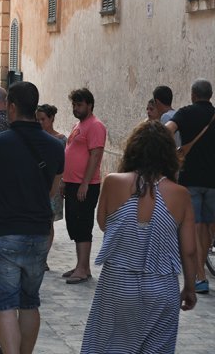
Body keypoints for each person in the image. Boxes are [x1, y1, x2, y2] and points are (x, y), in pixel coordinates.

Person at [0, 82, 64, 354]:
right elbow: (52, 190)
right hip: (40, 232)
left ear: (13, 106)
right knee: (30, 301)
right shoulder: (55, 146)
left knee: (6, 304)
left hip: (6, 231)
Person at [80, 121, 197, 353]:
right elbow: (190, 250)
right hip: (162, 287)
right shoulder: (180, 195)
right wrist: (190, 288)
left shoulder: (113, 182)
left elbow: (104, 224)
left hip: (117, 283)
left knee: (110, 345)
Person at [165, 78, 215, 294]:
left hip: (191, 178)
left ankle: (200, 276)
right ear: (210, 95)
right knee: (206, 227)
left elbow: (167, 129)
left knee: (195, 225)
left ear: (193, 95)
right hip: (213, 181)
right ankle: (199, 276)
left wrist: (171, 152)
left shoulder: (185, 113)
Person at [61, 88, 107, 284]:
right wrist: (64, 180)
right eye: (74, 105)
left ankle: (82, 268)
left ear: (89, 105)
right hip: (72, 183)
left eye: (79, 105)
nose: (76, 108)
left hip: (85, 185)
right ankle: (82, 265)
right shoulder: (78, 125)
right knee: (73, 223)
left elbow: (95, 155)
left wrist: (85, 183)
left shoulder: (95, 126)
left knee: (82, 224)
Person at [36, 104, 67, 271]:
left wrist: (62, 183)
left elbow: (64, 164)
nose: (40, 123)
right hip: (36, 184)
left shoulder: (60, 140)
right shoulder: (34, 138)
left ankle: (43, 258)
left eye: (43, 119)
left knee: (49, 223)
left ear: (52, 119)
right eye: (38, 119)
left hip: (53, 184)